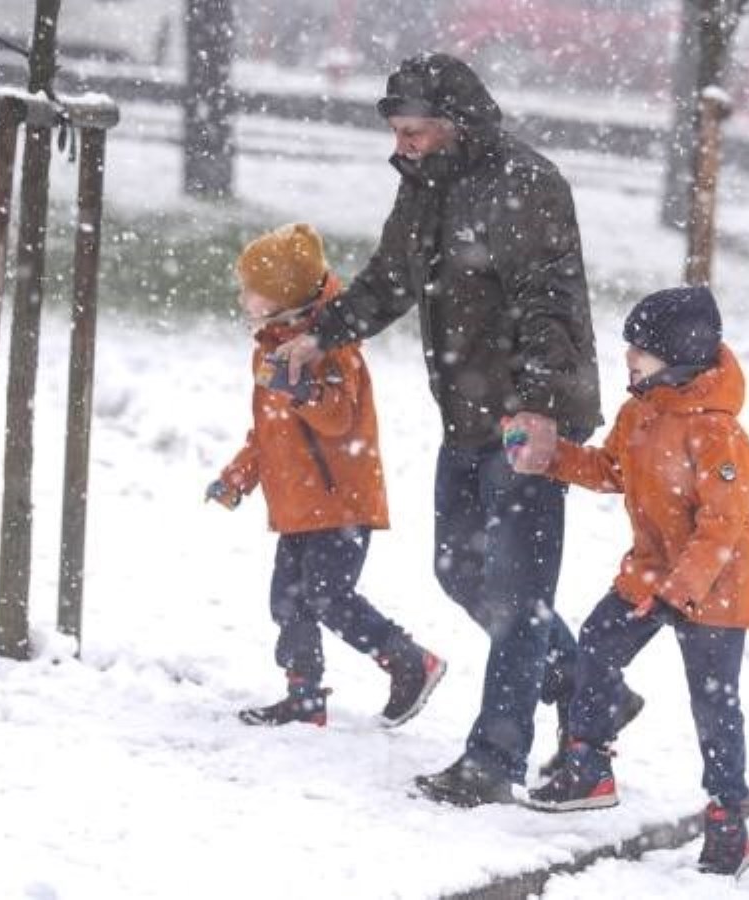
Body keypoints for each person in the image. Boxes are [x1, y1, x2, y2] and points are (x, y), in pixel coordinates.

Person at [276, 52, 631, 805]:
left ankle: (495, 759)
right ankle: (579, 681)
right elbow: (391, 278)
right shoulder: (426, 186)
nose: (400, 145)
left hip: (523, 419)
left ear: (456, 127)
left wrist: (537, 409)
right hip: (467, 412)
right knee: (458, 569)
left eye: (413, 132)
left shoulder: (525, 185)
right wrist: (324, 334)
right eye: (397, 132)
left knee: (519, 591)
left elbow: (549, 303)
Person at [518, 285, 749, 879]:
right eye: (629, 344)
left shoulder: (718, 434)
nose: (629, 355)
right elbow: (611, 470)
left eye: (642, 348)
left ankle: (729, 821)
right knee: (598, 640)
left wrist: (682, 591)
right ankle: (589, 764)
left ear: (680, 355)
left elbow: (723, 529)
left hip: (715, 587)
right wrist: (551, 455)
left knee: (714, 703)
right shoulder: (641, 413)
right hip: (652, 570)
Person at [207, 223, 446, 729]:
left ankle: (409, 660)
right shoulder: (271, 348)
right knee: (287, 600)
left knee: (329, 598)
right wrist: (238, 477)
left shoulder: (332, 349)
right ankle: (304, 695)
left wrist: (302, 391)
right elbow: (269, 433)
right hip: (298, 504)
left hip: (340, 502)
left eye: (253, 288)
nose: (243, 296)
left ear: (282, 298)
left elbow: (338, 418)